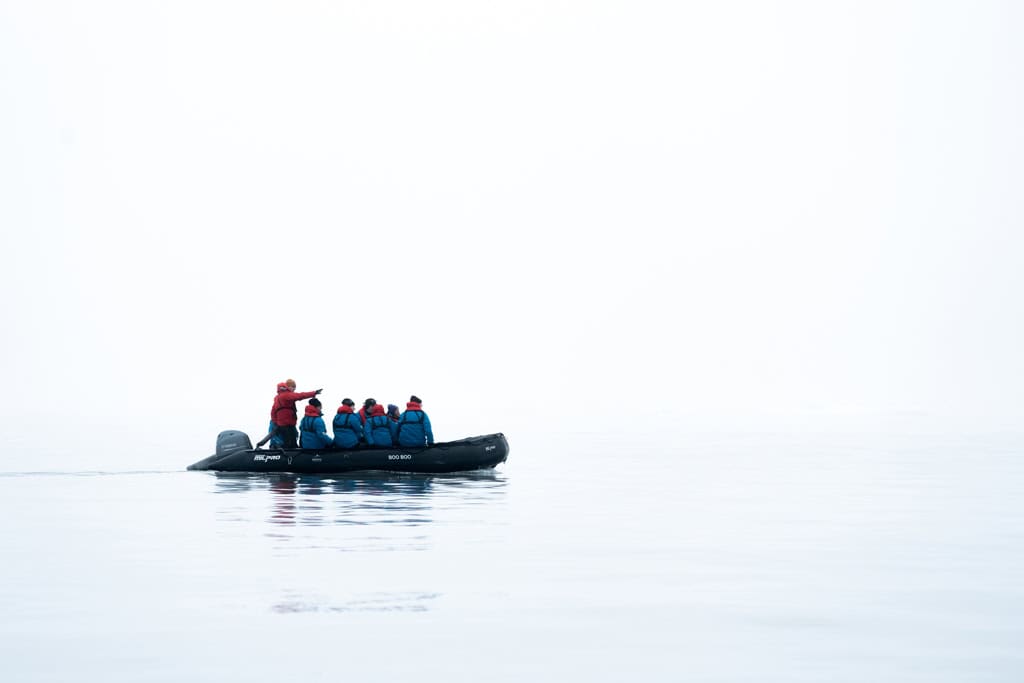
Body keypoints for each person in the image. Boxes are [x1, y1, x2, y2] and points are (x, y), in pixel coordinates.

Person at [271, 378, 322, 448]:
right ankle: (291, 457)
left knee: (288, 442)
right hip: (288, 424)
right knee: (291, 444)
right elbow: (300, 395)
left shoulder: (277, 398)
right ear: (288, 387)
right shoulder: (286, 395)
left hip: (282, 425)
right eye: (293, 387)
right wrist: (313, 393)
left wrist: (276, 422)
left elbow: (273, 412)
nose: (294, 390)